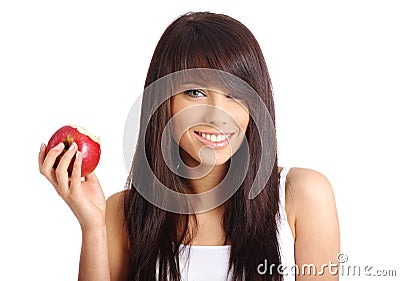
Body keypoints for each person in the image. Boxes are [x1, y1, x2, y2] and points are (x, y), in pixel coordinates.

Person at [38, 12, 340, 281]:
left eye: (235, 94)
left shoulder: (301, 195)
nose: (217, 115)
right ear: (163, 102)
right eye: (195, 92)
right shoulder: (123, 212)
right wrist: (92, 227)